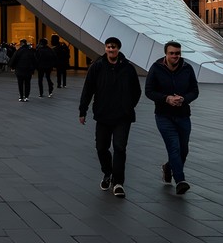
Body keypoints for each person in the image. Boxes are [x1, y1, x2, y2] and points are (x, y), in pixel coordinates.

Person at [78, 37, 141, 198]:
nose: (110, 50)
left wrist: (128, 106)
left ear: (118, 49)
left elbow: (136, 91)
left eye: (113, 47)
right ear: (105, 49)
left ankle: (118, 182)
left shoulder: (128, 68)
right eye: (108, 47)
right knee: (101, 148)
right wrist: (82, 110)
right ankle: (108, 173)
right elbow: (88, 89)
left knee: (120, 148)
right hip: (103, 115)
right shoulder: (97, 67)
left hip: (122, 116)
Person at [145, 41, 199, 195]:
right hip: (163, 115)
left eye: (178, 53)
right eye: (172, 53)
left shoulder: (187, 69)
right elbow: (149, 91)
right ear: (166, 54)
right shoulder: (156, 68)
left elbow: (195, 91)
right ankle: (180, 180)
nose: (175, 56)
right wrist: (166, 98)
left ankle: (168, 167)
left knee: (184, 150)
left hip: (183, 115)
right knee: (173, 147)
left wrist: (184, 99)